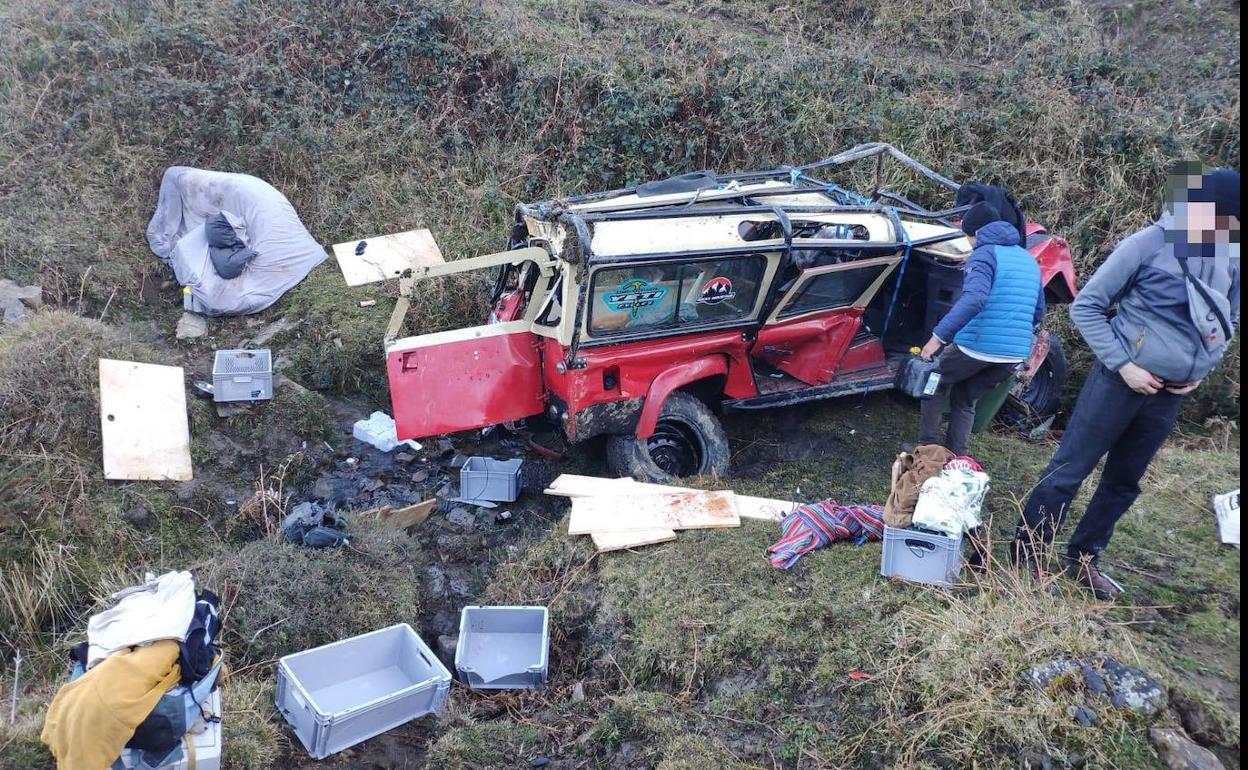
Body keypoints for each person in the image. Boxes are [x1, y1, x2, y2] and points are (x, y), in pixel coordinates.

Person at [1013, 166, 1240, 599]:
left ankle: (1085, 559)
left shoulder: (1231, 254)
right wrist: (1124, 365)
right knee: (1068, 471)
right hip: (1118, 384)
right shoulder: (1148, 244)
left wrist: (1200, 371)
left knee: (1124, 482)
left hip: (1168, 396)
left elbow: (1228, 319)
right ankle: (1029, 556)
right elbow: (1088, 308)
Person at [915, 201, 1045, 456]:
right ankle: (957, 457)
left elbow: (974, 299)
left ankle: (927, 449)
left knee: (934, 380)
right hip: (1014, 354)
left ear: (974, 233)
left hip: (979, 345)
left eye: (967, 236)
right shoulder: (1027, 258)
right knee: (965, 398)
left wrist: (937, 338)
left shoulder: (983, 255)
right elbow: (1039, 310)